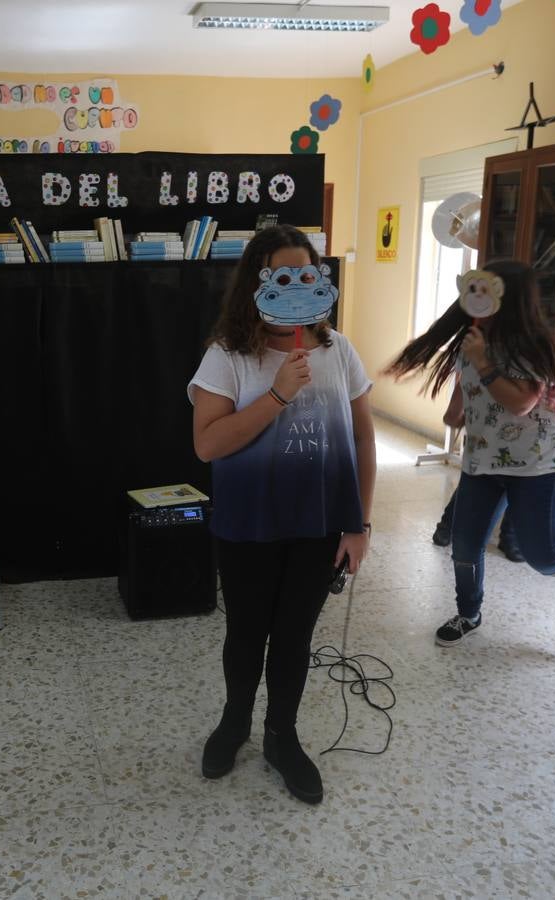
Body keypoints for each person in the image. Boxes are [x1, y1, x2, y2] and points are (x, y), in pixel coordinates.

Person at [188, 225, 376, 805]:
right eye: (282, 276)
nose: (297, 285)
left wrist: (359, 524)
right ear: (257, 284)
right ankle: (235, 722)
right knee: (245, 633)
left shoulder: (337, 350)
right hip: (248, 527)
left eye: (307, 274)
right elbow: (208, 445)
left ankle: (281, 735)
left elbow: (363, 440)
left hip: (317, 527)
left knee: (294, 639)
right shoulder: (227, 356)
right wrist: (275, 394)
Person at [385, 260, 555, 647]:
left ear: (508, 300)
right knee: (465, 544)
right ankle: (468, 613)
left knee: (544, 556)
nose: (475, 299)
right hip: (483, 462)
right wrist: (456, 412)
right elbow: (464, 388)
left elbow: (521, 403)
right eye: (471, 291)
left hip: (541, 464)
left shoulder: (531, 347)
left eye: (485, 291)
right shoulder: (471, 342)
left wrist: (483, 361)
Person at [434, 382, 523, 561]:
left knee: (518, 484)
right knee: (475, 482)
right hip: (486, 445)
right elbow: (451, 417)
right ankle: (448, 525)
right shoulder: (477, 362)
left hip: (520, 446)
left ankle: (510, 538)